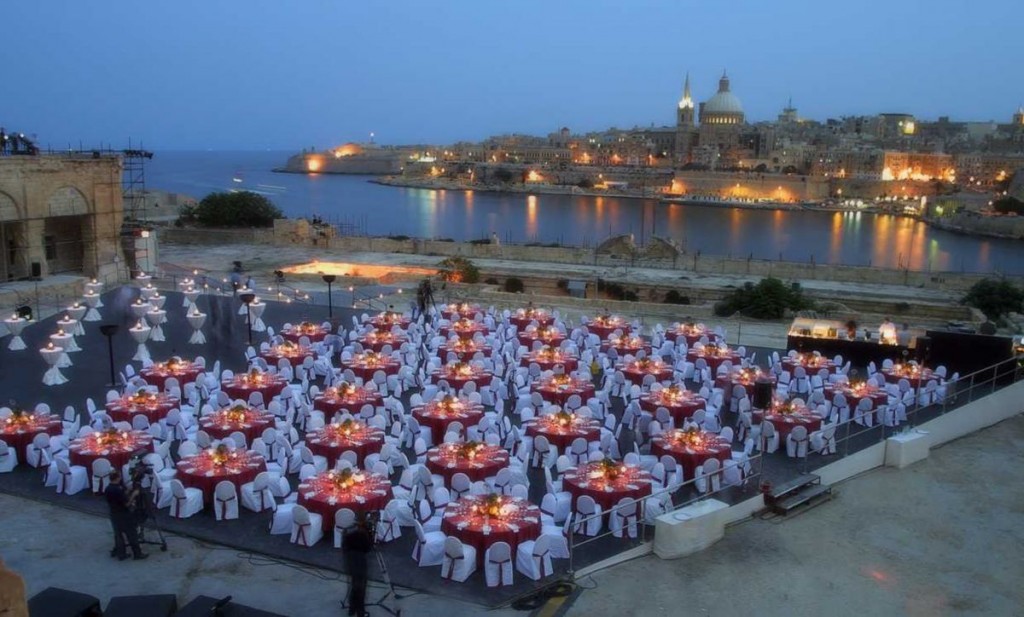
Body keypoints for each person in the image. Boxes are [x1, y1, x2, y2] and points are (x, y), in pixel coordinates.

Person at [104, 469, 148, 561]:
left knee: (118, 535)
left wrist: (127, 491)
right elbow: (126, 504)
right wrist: (134, 495)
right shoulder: (118, 490)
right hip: (124, 515)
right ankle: (137, 554)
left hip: (113, 514)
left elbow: (119, 498)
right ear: (118, 478)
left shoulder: (108, 489)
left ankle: (121, 554)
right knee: (132, 534)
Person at [342, 514, 373, 617]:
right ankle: (360, 612)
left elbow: (344, 547)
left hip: (349, 561)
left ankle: (352, 609)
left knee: (355, 585)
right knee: (360, 587)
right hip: (359, 562)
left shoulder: (347, 530)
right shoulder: (362, 533)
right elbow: (368, 548)